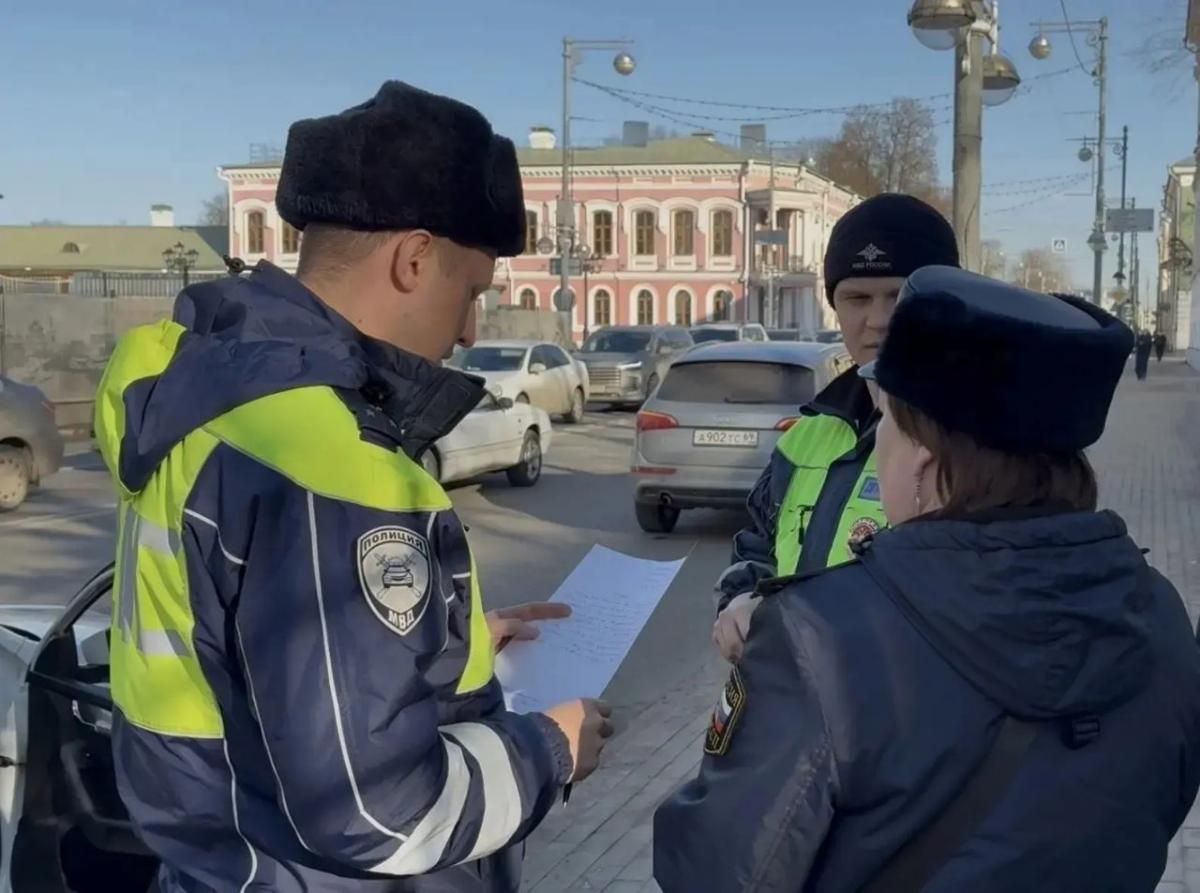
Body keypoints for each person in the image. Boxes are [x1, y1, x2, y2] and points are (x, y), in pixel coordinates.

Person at [94, 82, 612, 892]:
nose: (472, 330)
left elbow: (242, 645)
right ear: (412, 259)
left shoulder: (209, 398)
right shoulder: (324, 457)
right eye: (472, 291)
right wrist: (551, 748)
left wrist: (442, 645)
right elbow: (377, 814)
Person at [654, 267, 1200, 892]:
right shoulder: (1158, 611)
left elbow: (719, 872)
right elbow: (1160, 807)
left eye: (885, 418)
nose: (875, 437)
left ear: (927, 461)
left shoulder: (823, 641)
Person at [712, 193, 959, 663]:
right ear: (836, 308)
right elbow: (757, 546)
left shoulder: (983, 435)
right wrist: (739, 602)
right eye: (857, 298)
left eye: (900, 296)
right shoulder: (807, 434)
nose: (879, 320)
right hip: (801, 703)